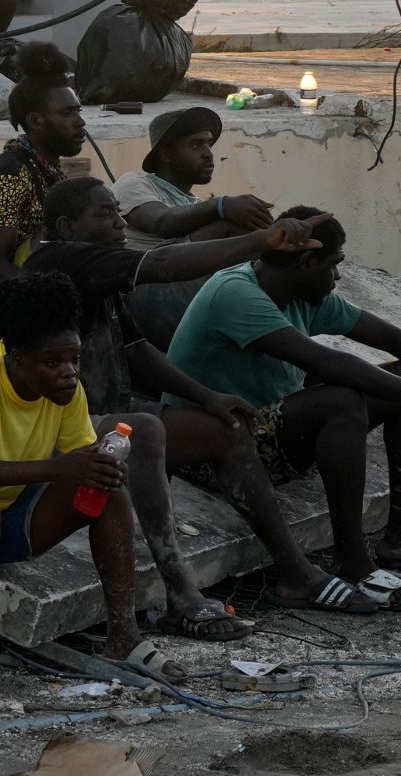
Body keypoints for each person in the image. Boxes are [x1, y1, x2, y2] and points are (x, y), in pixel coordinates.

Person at [22, 177, 357, 623]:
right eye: (105, 214)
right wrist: (262, 239)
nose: (120, 222)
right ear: (66, 226)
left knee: (224, 428)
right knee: (146, 432)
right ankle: (182, 595)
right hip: (56, 428)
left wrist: (206, 396)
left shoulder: (94, 273)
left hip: (99, 415)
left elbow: (136, 350)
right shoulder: (60, 260)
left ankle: (295, 573)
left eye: (118, 210)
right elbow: (163, 264)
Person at [0, 271, 186, 702]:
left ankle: (124, 636)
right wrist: (56, 469)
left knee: (109, 493)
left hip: (0, 515)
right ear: (18, 358)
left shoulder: (67, 393)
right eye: (53, 363)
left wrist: (99, 470)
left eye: (74, 359)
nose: (69, 373)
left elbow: (79, 464)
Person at [163, 206, 401, 606]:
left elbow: (389, 337)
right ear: (307, 263)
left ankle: (395, 541)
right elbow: (328, 363)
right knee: (343, 400)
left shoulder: (305, 295)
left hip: (269, 430)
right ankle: (354, 563)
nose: (338, 276)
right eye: (334, 264)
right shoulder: (235, 292)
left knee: (392, 381)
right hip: (213, 449)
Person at [0, 44, 82, 333]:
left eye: (78, 111)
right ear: (35, 120)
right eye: (67, 113)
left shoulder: (47, 169)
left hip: (29, 285)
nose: (80, 122)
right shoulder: (10, 174)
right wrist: (56, 299)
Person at [111, 107, 274, 251]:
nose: (209, 154)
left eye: (209, 144)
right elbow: (161, 222)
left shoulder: (196, 206)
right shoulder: (134, 184)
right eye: (195, 145)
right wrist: (221, 205)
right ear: (165, 155)